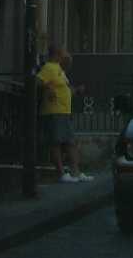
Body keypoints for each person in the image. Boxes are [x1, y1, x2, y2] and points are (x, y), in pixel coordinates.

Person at [37, 46, 93, 183]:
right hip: (54, 111)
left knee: (70, 142)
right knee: (56, 142)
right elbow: (38, 81)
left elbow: (65, 88)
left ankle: (76, 172)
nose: (66, 56)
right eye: (63, 53)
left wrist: (76, 90)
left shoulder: (60, 70)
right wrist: (48, 88)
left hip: (64, 111)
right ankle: (61, 174)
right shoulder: (49, 67)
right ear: (57, 54)